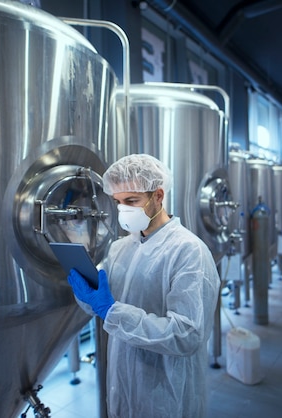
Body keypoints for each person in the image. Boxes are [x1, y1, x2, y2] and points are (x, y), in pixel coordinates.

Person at [66, 154, 220, 418]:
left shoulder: (189, 251)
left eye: (132, 201)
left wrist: (112, 312)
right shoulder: (120, 248)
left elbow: (186, 334)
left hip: (166, 390)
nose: (123, 209)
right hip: (122, 384)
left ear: (158, 196)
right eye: (118, 202)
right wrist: (88, 295)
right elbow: (100, 303)